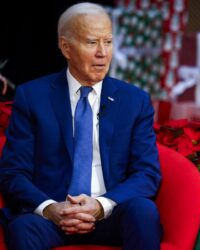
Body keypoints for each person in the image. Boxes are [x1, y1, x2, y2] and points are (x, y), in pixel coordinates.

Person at [0, 2, 162, 250]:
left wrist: (100, 206)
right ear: (66, 47)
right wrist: (52, 209)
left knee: (143, 211)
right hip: (53, 216)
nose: (102, 53)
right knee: (23, 229)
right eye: (91, 42)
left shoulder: (134, 100)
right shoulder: (32, 97)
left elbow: (147, 173)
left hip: (110, 214)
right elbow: (13, 173)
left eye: (108, 42)